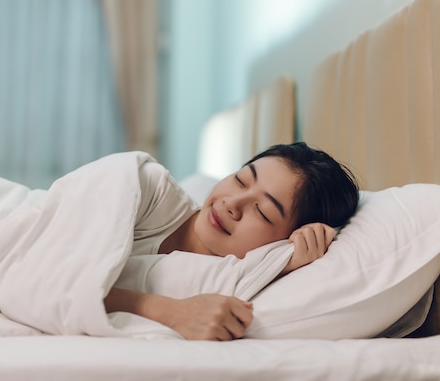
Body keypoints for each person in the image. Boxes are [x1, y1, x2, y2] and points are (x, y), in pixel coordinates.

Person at [104, 142, 359, 341]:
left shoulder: (226, 278)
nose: (232, 203)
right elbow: (66, 280)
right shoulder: (147, 188)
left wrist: (284, 261)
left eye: (262, 212)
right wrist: (171, 312)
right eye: (240, 180)